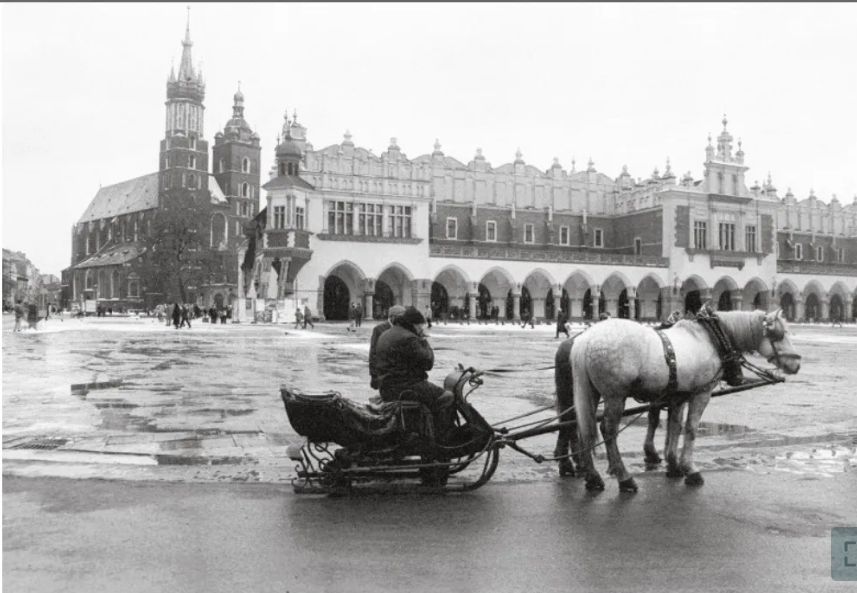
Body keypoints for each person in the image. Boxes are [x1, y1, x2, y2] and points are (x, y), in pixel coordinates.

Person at [374, 306, 455, 436]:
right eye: (420, 326)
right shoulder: (409, 338)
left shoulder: (387, 333)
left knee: (434, 394)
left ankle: (429, 429)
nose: (421, 329)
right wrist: (424, 341)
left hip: (387, 386)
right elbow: (428, 363)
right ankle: (442, 436)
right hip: (405, 387)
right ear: (413, 324)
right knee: (447, 397)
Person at [369, 305, 406, 389]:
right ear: (392, 317)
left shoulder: (404, 327)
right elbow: (373, 352)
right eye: (400, 317)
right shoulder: (379, 329)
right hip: (384, 372)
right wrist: (374, 375)